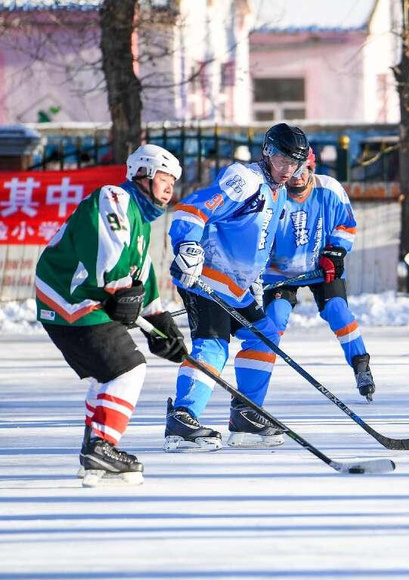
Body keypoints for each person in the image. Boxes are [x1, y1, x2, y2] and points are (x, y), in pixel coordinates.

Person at [35, 144, 186, 485]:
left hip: (82, 302)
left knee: (109, 375)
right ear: (143, 174)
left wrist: (158, 321)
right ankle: (101, 446)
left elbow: (141, 272)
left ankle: (95, 450)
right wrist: (121, 290)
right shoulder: (114, 197)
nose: (169, 189)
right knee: (126, 368)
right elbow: (109, 257)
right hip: (69, 299)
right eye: (164, 178)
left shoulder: (140, 219)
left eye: (173, 182)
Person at [164, 123, 310, 452]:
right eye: (284, 160)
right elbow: (192, 208)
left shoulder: (281, 191)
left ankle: (246, 413)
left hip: (236, 286)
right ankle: (182, 419)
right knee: (213, 345)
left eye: (296, 163)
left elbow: (256, 243)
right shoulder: (244, 179)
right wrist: (187, 246)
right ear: (268, 153)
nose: (289, 169)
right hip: (207, 277)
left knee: (265, 335)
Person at [261, 147, 375, 401]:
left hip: (320, 266)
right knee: (274, 319)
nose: (299, 176)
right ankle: (257, 381)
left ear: (313, 167)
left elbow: (346, 224)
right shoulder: (271, 194)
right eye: (293, 170)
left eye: (305, 169)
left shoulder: (329, 189)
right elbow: (259, 233)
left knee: (338, 311)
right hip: (280, 272)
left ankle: (361, 365)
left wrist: (335, 252)